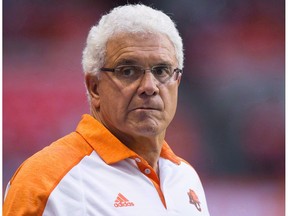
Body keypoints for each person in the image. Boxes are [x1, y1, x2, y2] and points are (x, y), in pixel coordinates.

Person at [3, 4, 210, 216]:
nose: (149, 86)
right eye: (128, 71)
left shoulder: (184, 177)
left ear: (177, 82)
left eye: (162, 70)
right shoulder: (46, 180)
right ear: (94, 87)